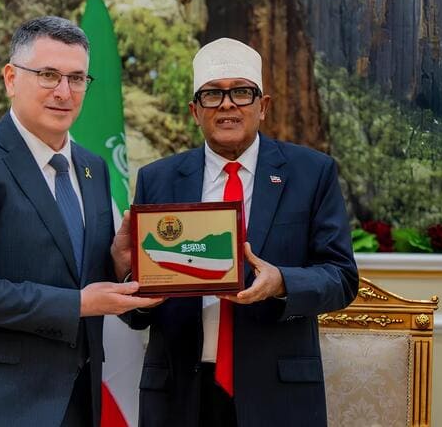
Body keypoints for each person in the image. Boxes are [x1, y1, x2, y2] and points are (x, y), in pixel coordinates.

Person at [0, 16, 159, 427]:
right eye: (48, 75)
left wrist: (120, 266)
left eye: (77, 78)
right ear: (11, 78)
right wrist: (79, 304)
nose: (64, 92)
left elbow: (82, 274)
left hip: (76, 400)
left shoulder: (93, 168)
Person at [124, 38, 359, 426]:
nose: (227, 104)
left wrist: (281, 282)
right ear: (195, 111)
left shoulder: (311, 173)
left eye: (241, 92)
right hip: (179, 394)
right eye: (212, 94)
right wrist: (134, 283)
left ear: (262, 106)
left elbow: (342, 278)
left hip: (277, 396)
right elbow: (136, 310)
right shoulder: (158, 179)